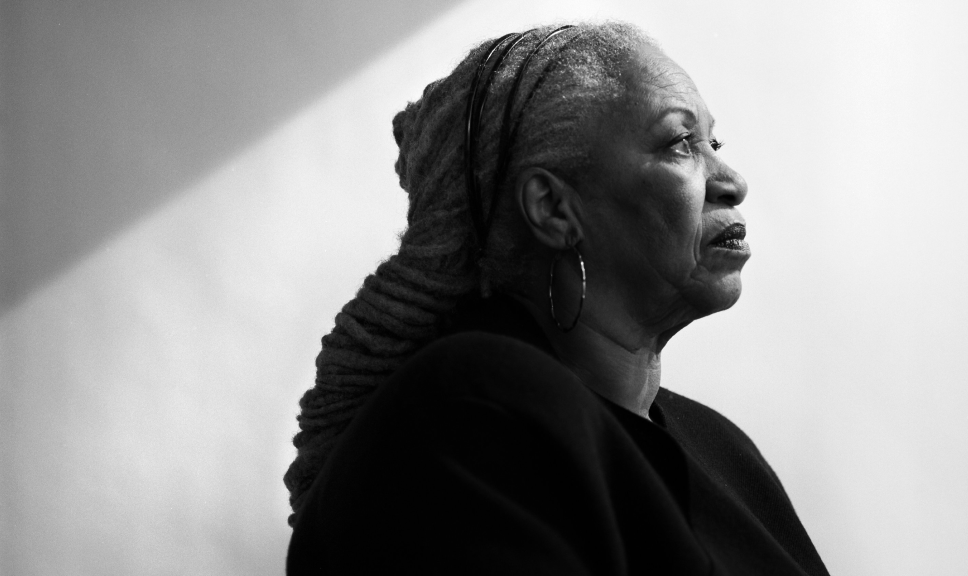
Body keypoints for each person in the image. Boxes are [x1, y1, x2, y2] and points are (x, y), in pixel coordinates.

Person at [285, 22, 830, 575]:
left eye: (714, 143)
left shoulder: (721, 447)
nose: (732, 181)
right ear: (552, 209)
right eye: (679, 143)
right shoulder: (472, 416)